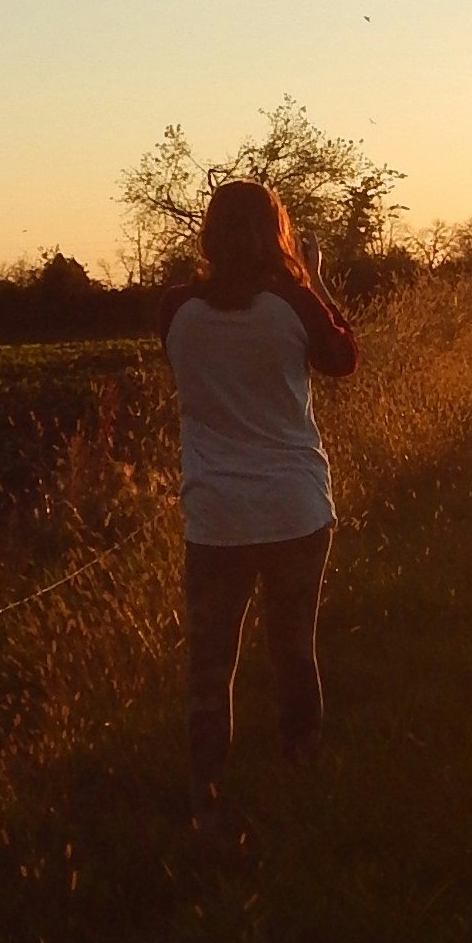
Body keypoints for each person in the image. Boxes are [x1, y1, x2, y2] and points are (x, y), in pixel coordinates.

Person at [158, 179, 359, 806]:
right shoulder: (294, 304)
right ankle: (301, 769)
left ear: (210, 236)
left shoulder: (174, 311)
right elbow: (343, 359)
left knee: (210, 664)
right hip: (295, 508)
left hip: (215, 515)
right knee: (293, 650)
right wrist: (316, 278)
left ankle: (206, 788)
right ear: (278, 233)